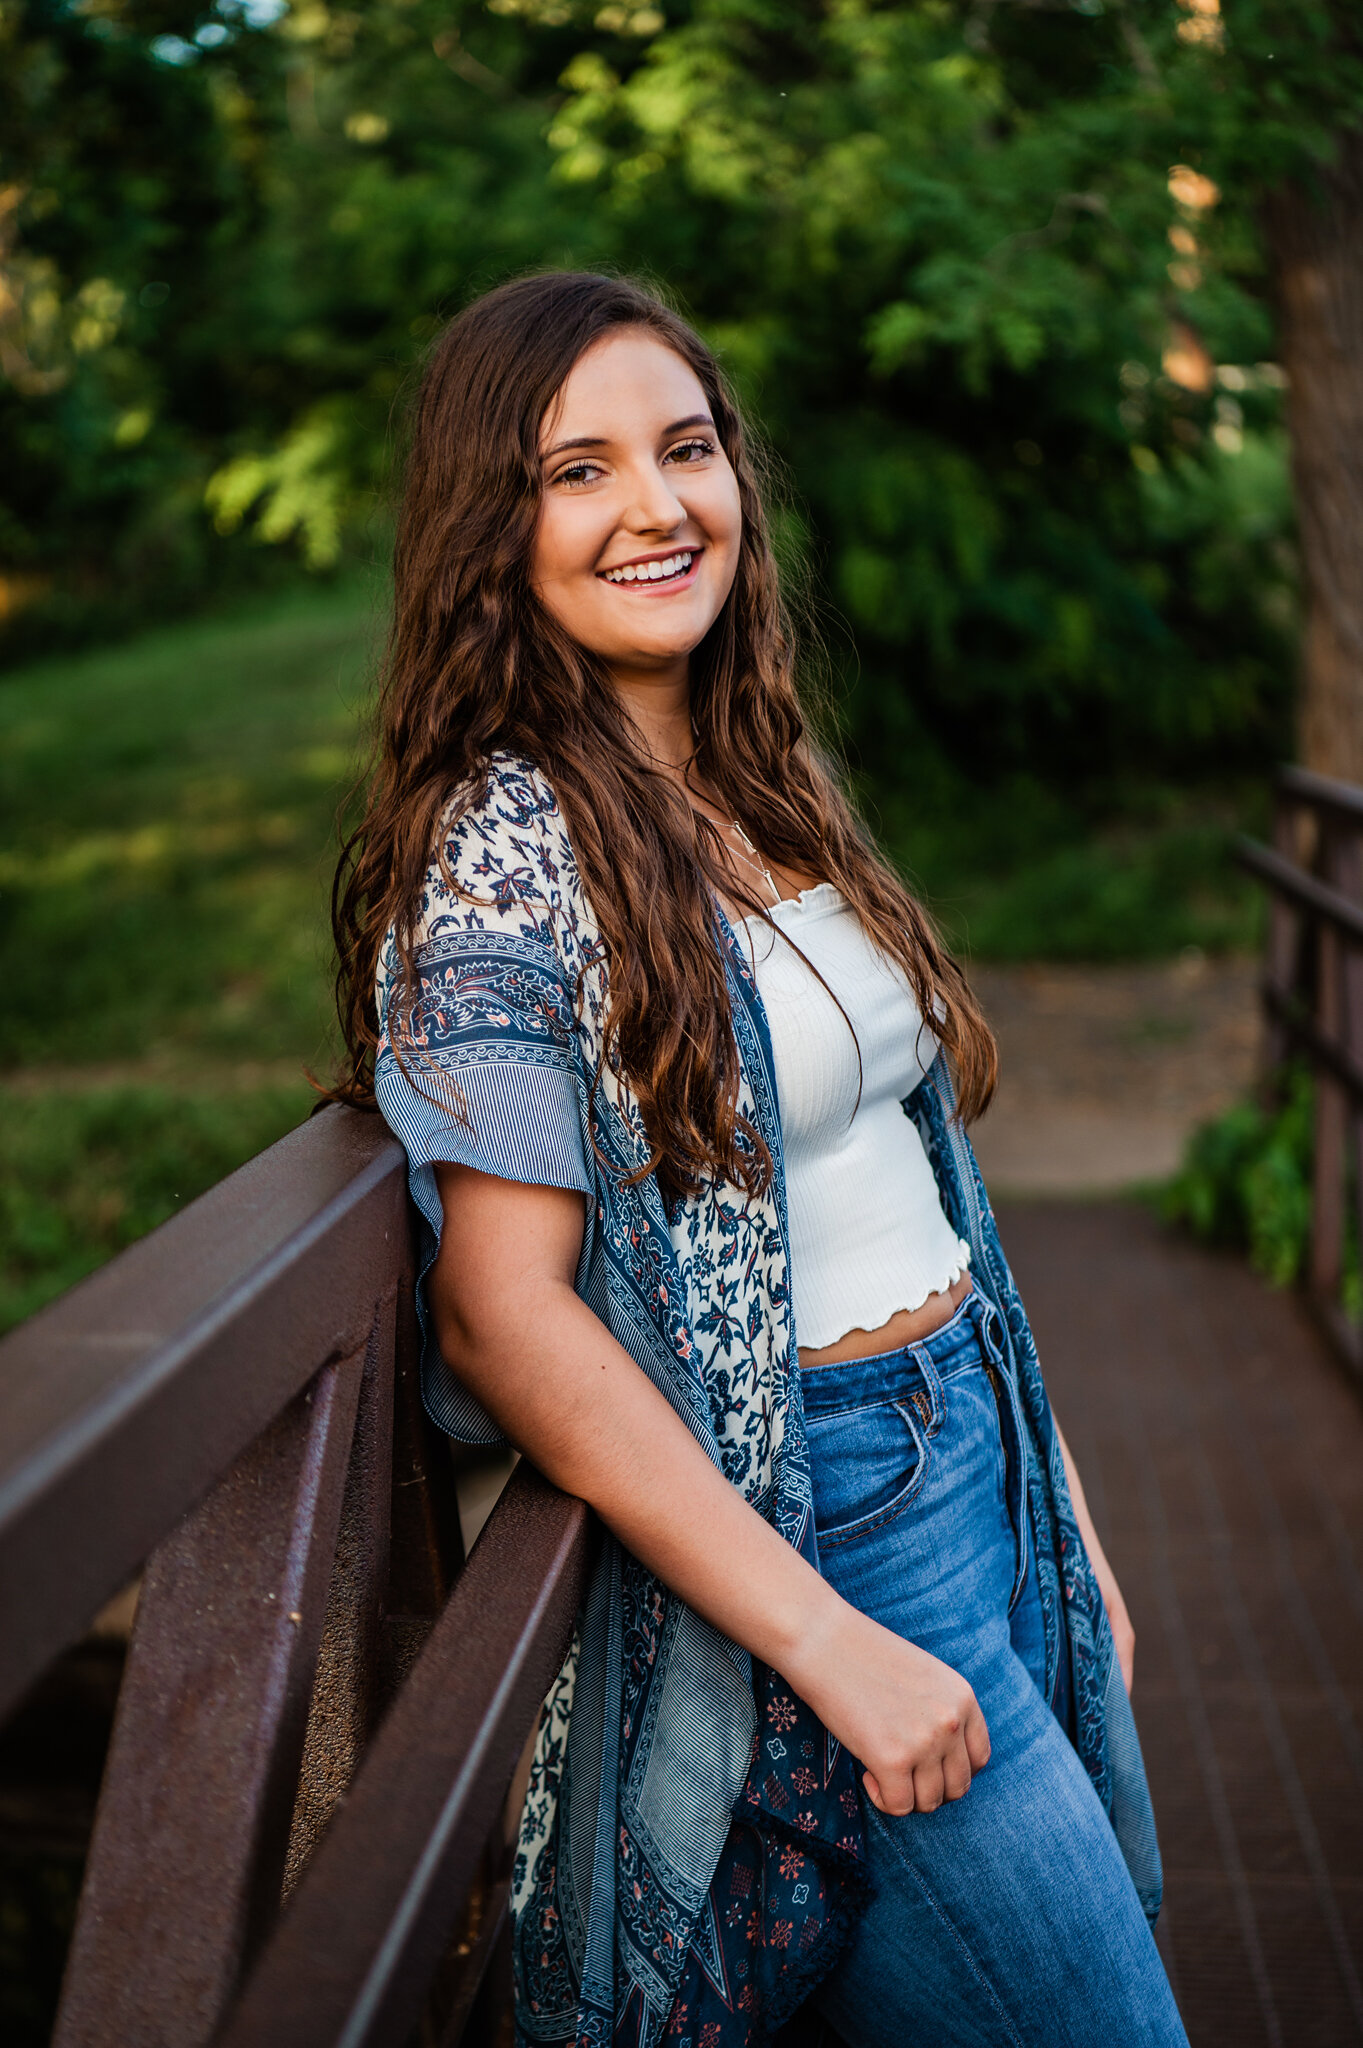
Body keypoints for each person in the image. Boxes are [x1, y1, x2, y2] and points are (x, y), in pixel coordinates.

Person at [332, 271, 1188, 2048]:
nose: (657, 505)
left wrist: (1065, 1510)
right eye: (579, 470)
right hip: (832, 1526)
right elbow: (500, 1316)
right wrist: (831, 1645)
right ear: (494, 529)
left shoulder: (757, 769)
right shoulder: (507, 845)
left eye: (688, 448)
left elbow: (899, 1168)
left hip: (975, 1451)